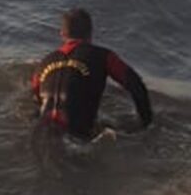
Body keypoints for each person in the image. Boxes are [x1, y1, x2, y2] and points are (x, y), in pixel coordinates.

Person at [32, 8, 153, 139]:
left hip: (42, 130)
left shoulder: (43, 63)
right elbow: (136, 85)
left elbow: (36, 98)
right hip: (77, 134)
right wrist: (146, 125)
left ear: (62, 34)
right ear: (90, 33)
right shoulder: (103, 57)